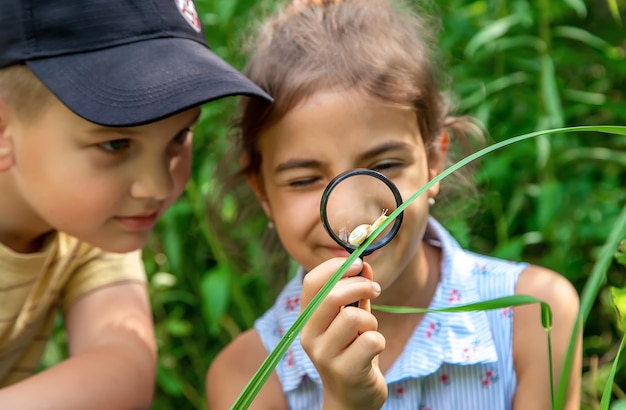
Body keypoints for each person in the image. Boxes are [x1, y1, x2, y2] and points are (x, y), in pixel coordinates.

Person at [206, 0, 582, 409]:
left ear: (434, 160)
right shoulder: (249, 376)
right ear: (261, 191)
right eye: (304, 179)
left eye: (385, 164)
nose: (350, 215)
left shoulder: (533, 316)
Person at [0, 0, 270, 408]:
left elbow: (123, 372)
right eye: (115, 144)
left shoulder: (87, 226)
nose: (158, 186)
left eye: (180, 136)